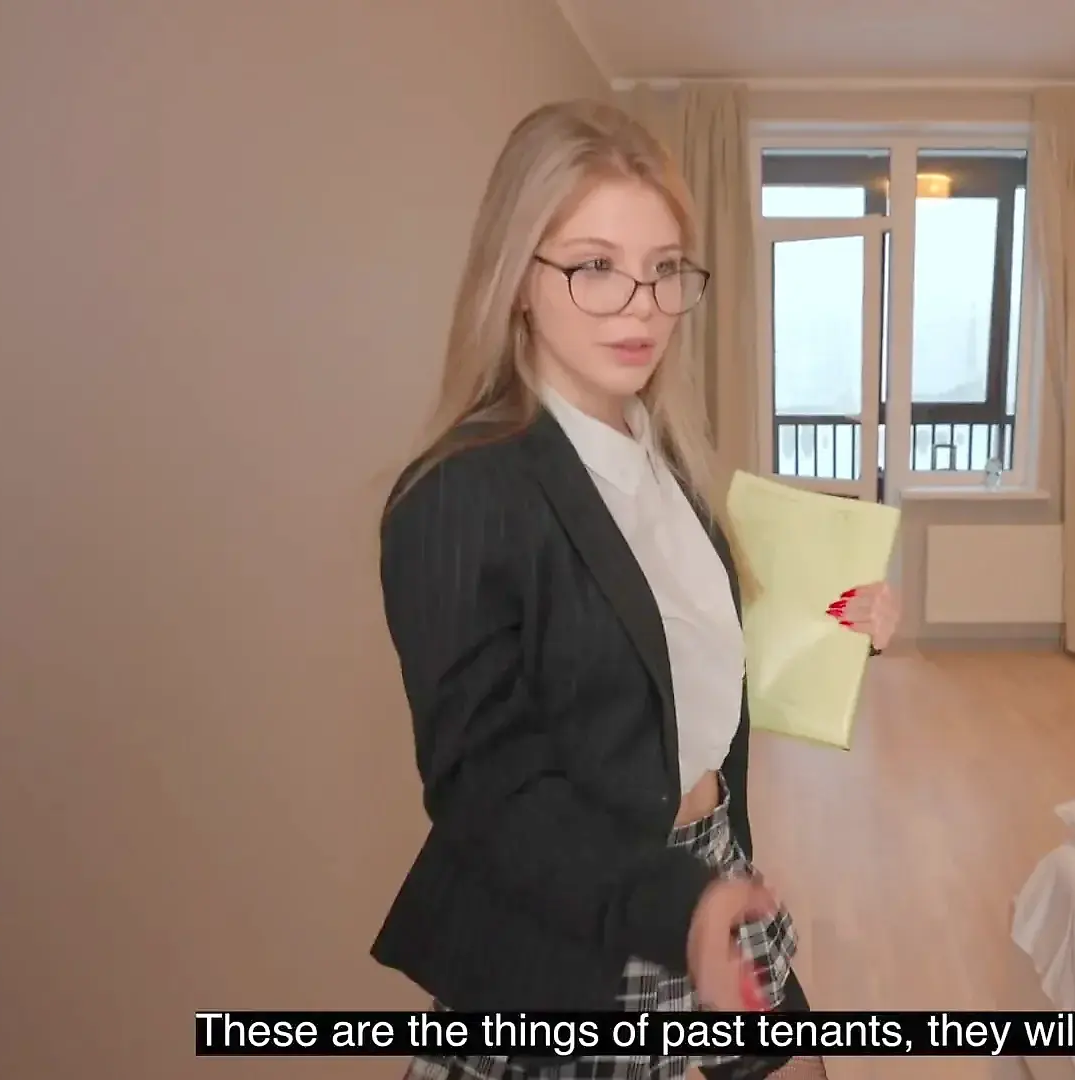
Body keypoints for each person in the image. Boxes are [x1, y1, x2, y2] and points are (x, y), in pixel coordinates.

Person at [371, 98, 900, 1080]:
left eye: (664, 269)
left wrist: (837, 626)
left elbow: (674, 662)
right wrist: (676, 906)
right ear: (516, 279)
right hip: (579, 920)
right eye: (595, 267)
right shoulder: (461, 495)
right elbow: (489, 790)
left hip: (711, 863)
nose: (642, 306)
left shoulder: (667, 462)